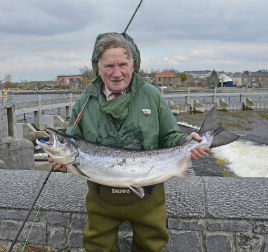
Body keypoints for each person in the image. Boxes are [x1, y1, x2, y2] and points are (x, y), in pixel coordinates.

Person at [49, 32, 210, 252]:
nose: (116, 73)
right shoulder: (84, 101)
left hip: (150, 196)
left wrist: (187, 141)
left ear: (133, 65)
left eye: (122, 64)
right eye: (108, 66)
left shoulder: (151, 95)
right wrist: (58, 161)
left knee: (150, 246)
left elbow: (170, 136)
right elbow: (71, 139)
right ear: (98, 67)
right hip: (100, 199)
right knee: (98, 247)